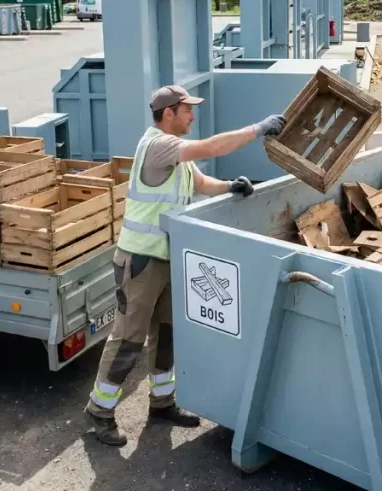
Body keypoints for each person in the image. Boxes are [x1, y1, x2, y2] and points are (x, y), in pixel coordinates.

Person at [84, 84, 286, 446]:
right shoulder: (158, 146)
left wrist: (230, 187)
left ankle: (162, 403)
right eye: (187, 109)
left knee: (167, 335)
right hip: (140, 261)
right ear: (168, 114)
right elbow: (211, 147)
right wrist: (258, 129)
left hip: (165, 259)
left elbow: (200, 182)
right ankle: (99, 411)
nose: (192, 115)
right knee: (128, 340)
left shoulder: (175, 153)